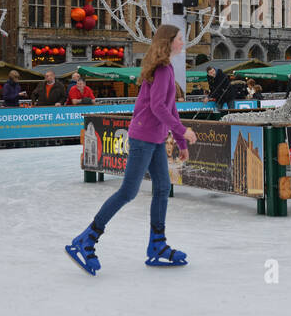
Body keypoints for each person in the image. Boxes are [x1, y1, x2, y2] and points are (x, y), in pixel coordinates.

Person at [66, 24, 197, 275]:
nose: (183, 43)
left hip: (156, 138)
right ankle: (87, 239)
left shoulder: (166, 69)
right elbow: (159, 108)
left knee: (161, 187)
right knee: (128, 191)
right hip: (144, 138)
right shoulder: (161, 70)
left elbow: (169, 108)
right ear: (168, 42)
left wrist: (180, 142)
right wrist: (182, 132)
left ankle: (157, 245)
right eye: (180, 39)